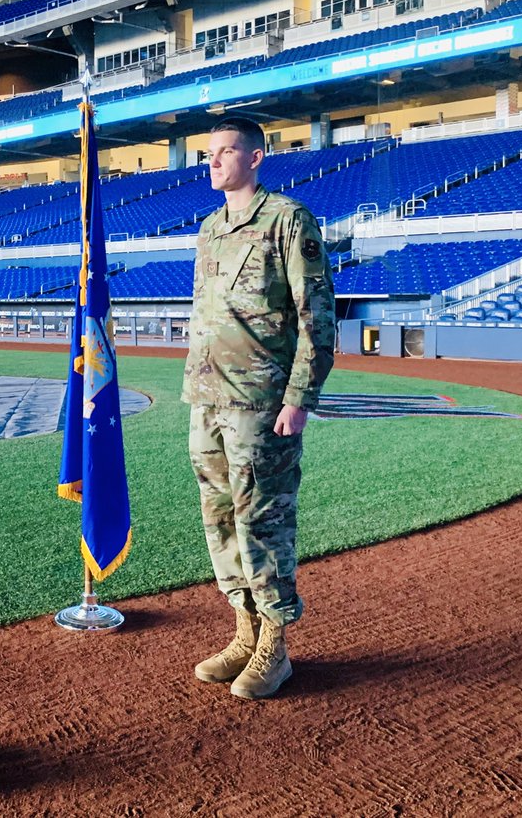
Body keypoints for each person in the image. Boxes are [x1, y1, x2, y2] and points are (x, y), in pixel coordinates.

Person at [183, 117, 336, 699]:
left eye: (226, 152)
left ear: (255, 158)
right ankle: (244, 630)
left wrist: (299, 397)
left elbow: (315, 317)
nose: (214, 162)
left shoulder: (287, 221)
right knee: (219, 519)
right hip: (206, 399)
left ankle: (275, 642)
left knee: (263, 518)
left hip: (260, 401)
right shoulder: (209, 229)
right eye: (209, 153)